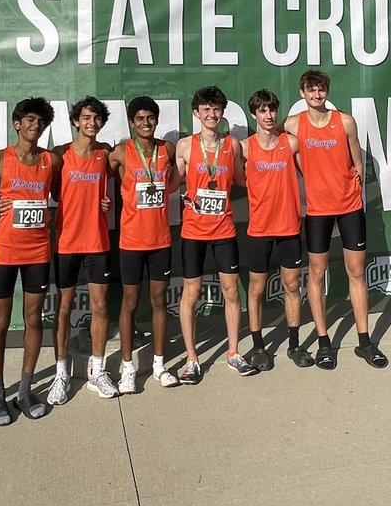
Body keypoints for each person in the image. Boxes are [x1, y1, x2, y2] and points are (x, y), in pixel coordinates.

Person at [284, 70, 388, 370]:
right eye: (311, 91)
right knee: (316, 274)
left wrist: (352, 177)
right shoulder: (293, 125)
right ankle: (324, 342)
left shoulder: (344, 122)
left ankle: (365, 341)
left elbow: (358, 161)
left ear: (327, 92)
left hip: (349, 206)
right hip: (317, 211)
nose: (317, 95)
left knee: (356, 272)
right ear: (302, 93)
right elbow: (274, 145)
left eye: (321, 90)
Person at [174, 86, 258, 383]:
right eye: (205, 109)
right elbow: (172, 182)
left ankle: (234, 352)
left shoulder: (232, 145)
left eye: (216, 109)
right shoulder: (184, 146)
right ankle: (192, 359)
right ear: (196, 113)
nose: (211, 114)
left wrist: (269, 175)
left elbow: (239, 178)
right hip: (193, 231)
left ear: (223, 112)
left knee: (232, 291)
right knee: (191, 294)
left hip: (223, 228)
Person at [0, 98, 59, 423]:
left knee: (33, 318)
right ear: (17, 123)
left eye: (40, 122)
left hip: (37, 251)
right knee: (0, 321)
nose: (35, 126)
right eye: (29, 120)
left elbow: (63, 195)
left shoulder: (51, 161)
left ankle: (26, 392)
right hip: (4, 251)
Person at [109, 96, 182, 392]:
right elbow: (102, 178)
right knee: (129, 303)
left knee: (159, 302)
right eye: (139, 119)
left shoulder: (168, 149)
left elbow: (174, 181)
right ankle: (128, 368)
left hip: (160, 240)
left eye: (150, 118)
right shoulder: (121, 153)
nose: (145, 123)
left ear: (156, 120)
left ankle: (158, 365)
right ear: (131, 122)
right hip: (131, 240)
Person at [48, 96, 118, 404]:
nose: (92, 122)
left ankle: (97, 370)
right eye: (86, 117)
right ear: (76, 121)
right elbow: (50, 190)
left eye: (97, 118)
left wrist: (106, 202)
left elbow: (116, 186)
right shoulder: (60, 156)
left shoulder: (105, 154)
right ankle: (61, 373)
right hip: (66, 242)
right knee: (63, 309)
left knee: (101, 306)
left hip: (97, 242)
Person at [241, 89, 313, 370]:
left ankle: (294, 345)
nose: (268, 115)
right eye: (262, 111)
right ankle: (259, 347)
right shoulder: (244, 148)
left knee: (292, 286)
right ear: (254, 114)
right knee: (256, 289)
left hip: (289, 227)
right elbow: (230, 179)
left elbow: (313, 170)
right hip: (259, 229)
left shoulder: (291, 143)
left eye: (272, 110)